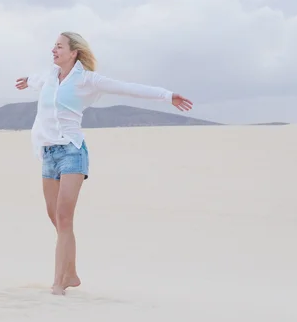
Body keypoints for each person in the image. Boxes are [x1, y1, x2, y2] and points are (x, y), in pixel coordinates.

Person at [15, 31, 193, 296]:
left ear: (74, 52)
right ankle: (72, 274)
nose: (53, 50)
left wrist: (168, 96)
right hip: (48, 154)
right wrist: (27, 81)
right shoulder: (49, 76)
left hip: (72, 153)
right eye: (53, 46)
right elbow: (35, 80)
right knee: (55, 218)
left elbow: (128, 88)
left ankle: (58, 284)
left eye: (59, 46)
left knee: (64, 218)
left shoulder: (88, 80)